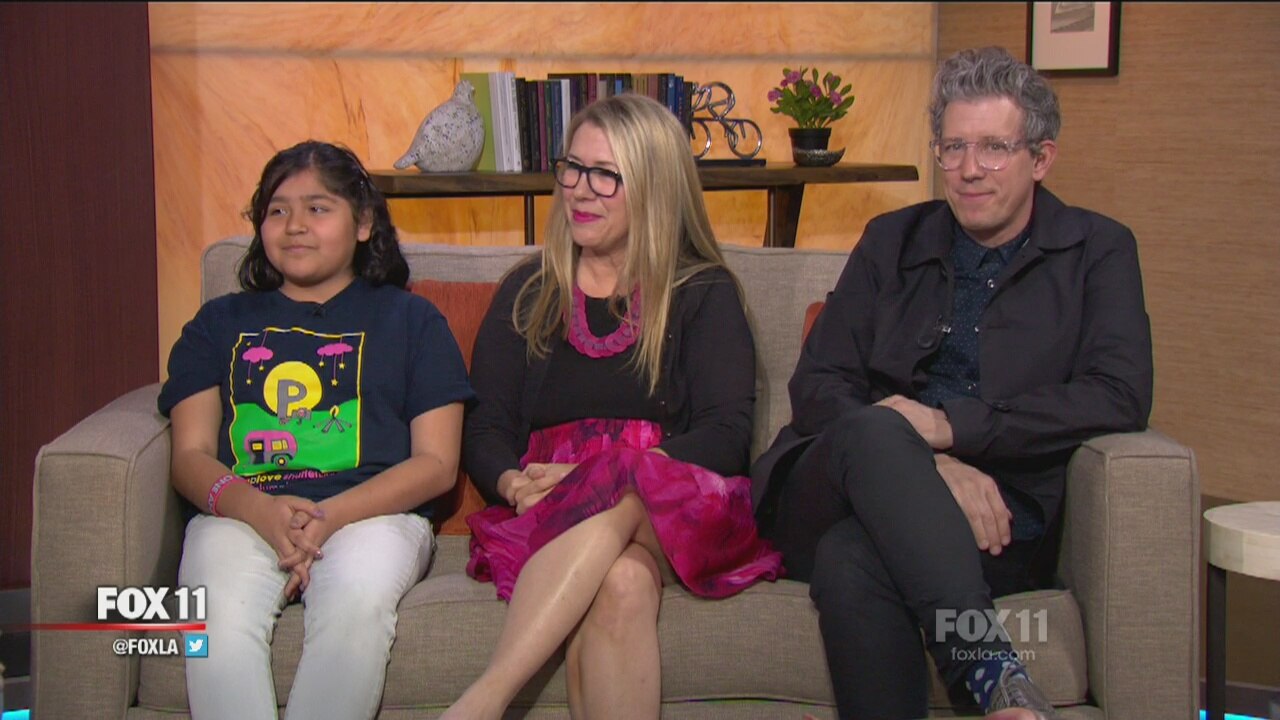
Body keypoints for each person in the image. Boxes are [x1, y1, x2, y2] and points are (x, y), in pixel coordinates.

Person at [751, 47, 1153, 720]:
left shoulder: (1097, 251)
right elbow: (819, 385)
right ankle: (993, 674)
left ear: (1041, 158)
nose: (968, 169)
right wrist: (931, 463)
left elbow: (1118, 394)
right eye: (954, 147)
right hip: (829, 489)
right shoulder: (891, 240)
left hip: (992, 519)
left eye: (994, 148)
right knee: (880, 427)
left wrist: (955, 427)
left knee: (851, 562)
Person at [441, 93, 782, 720]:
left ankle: (485, 700)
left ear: (654, 186)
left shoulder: (702, 291)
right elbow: (485, 426)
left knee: (623, 496)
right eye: (573, 168)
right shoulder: (526, 291)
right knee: (622, 582)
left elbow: (726, 434)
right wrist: (514, 484)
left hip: (671, 505)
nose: (579, 189)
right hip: (549, 508)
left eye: (605, 175)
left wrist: (601, 475)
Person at [157, 140, 474, 719]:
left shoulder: (412, 320)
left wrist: (327, 518)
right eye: (277, 210)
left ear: (364, 223)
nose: (294, 225)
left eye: (318, 208)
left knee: (355, 604)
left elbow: (436, 464)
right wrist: (260, 511)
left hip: (373, 515)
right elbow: (190, 455)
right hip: (242, 514)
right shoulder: (218, 322)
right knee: (217, 613)